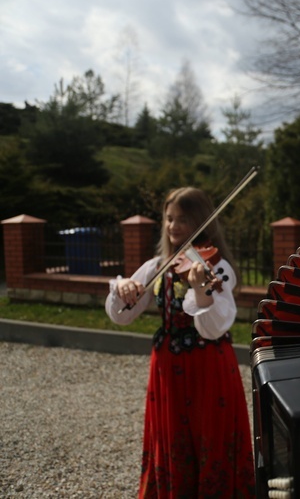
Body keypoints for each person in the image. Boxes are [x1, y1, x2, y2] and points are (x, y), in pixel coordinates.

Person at [105, 187, 255, 498]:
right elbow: (122, 316)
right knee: (173, 438)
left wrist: (201, 292)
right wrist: (124, 289)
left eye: (183, 219)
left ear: (202, 221)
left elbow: (215, 328)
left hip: (209, 367)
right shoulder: (156, 266)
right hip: (168, 368)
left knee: (210, 436)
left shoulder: (218, 268)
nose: (173, 226)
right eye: (169, 218)